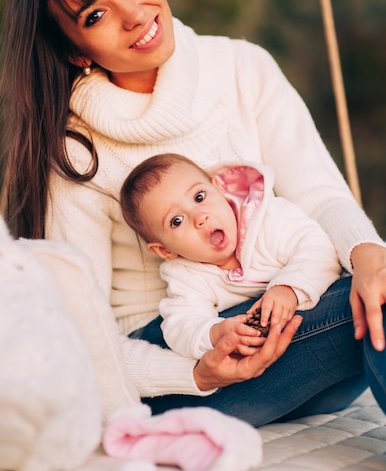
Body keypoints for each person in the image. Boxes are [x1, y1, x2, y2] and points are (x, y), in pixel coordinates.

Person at [1, 0, 386, 460]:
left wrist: (371, 260)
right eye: (95, 15)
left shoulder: (242, 67)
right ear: (75, 50)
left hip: (302, 316)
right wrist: (195, 371)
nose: (134, 14)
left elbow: (319, 194)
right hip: (190, 363)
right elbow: (86, 335)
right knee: (385, 300)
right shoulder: (74, 154)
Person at [120, 152, 342, 359]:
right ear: (165, 250)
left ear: (220, 190)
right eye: (176, 221)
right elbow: (181, 324)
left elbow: (319, 249)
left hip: (327, 337)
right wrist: (214, 332)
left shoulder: (267, 219)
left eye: (199, 197)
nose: (200, 217)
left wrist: (288, 289)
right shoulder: (186, 274)